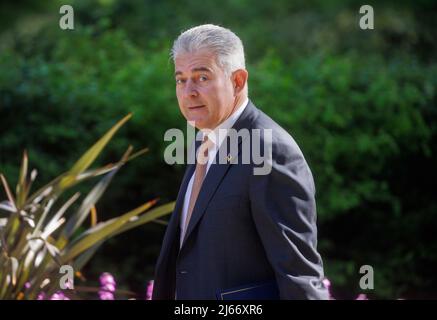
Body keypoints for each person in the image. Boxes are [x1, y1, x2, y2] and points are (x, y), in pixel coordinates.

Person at [152, 24, 328, 300]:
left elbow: (298, 274)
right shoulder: (203, 142)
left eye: (202, 77)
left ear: (238, 81)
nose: (188, 92)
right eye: (180, 79)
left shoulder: (270, 150)